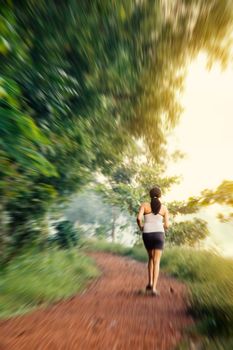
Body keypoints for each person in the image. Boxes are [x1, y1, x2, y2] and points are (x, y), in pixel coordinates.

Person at [136, 186, 169, 296]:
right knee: (157, 261)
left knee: (150, 258)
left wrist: (141, 227)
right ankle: (154, 288)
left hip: (147, 234)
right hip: (159, 234)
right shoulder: (164, 208)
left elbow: (138, 218)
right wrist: (160, 227)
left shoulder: (144, 205)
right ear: (160, 195)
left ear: (150, 195)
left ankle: (149, 283)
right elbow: (167, 225)